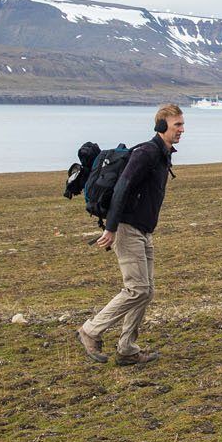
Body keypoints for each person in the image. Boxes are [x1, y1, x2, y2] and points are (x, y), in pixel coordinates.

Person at [76, 104, 184, 366]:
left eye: (182, 124)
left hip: (144, 230)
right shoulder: (146, 153)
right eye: (177, 125)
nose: (182, 129)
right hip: (127, 229)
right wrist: (111, 228)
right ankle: (90, 330)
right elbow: (123, 187)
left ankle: (127, 349)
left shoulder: (162, 153)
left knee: (146, 291)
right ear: (161, 127)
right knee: (136, 289)